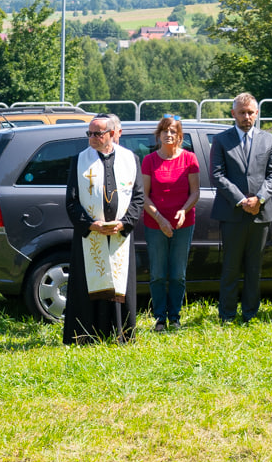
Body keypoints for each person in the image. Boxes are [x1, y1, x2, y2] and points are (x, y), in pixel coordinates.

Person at [63, 114, 144, 344]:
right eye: (89, 133)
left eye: (97, 134)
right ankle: (85, 335)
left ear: (111, 134)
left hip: (120, 234)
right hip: (90, 234)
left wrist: (124, 223)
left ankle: (120, 334)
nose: (92, 138)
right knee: (88, 281)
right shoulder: (79, 160)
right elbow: (71, 200)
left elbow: (138, 197)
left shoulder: (130, 159)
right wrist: (90, 224)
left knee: (119, 282)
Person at [210, 93, 272, 322]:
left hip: (260, 214)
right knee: (230, 266)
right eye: (242, 112)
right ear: (233, 114)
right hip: (233, 214)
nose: (246, 116)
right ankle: (227, 315)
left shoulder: (269, 140)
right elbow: (217, 175)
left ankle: (250, 313)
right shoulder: (221, 140)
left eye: (250, 112)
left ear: (257, 113)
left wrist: (258, 199)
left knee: (254, 268)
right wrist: (242, 200)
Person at [141, 116, 200, 331]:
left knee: (178, 273)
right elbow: (144, 197)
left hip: (184, 223)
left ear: (179, 136)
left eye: (173, 131)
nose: (169, 134)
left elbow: (195, 192)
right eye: (164, 131)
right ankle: (159, 319)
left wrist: (184, 211)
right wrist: (160, 219)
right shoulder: (149, 161)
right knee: (157, 273)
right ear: (158, 135)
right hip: (155, 222)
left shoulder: (190, 159)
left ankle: (175, 317)